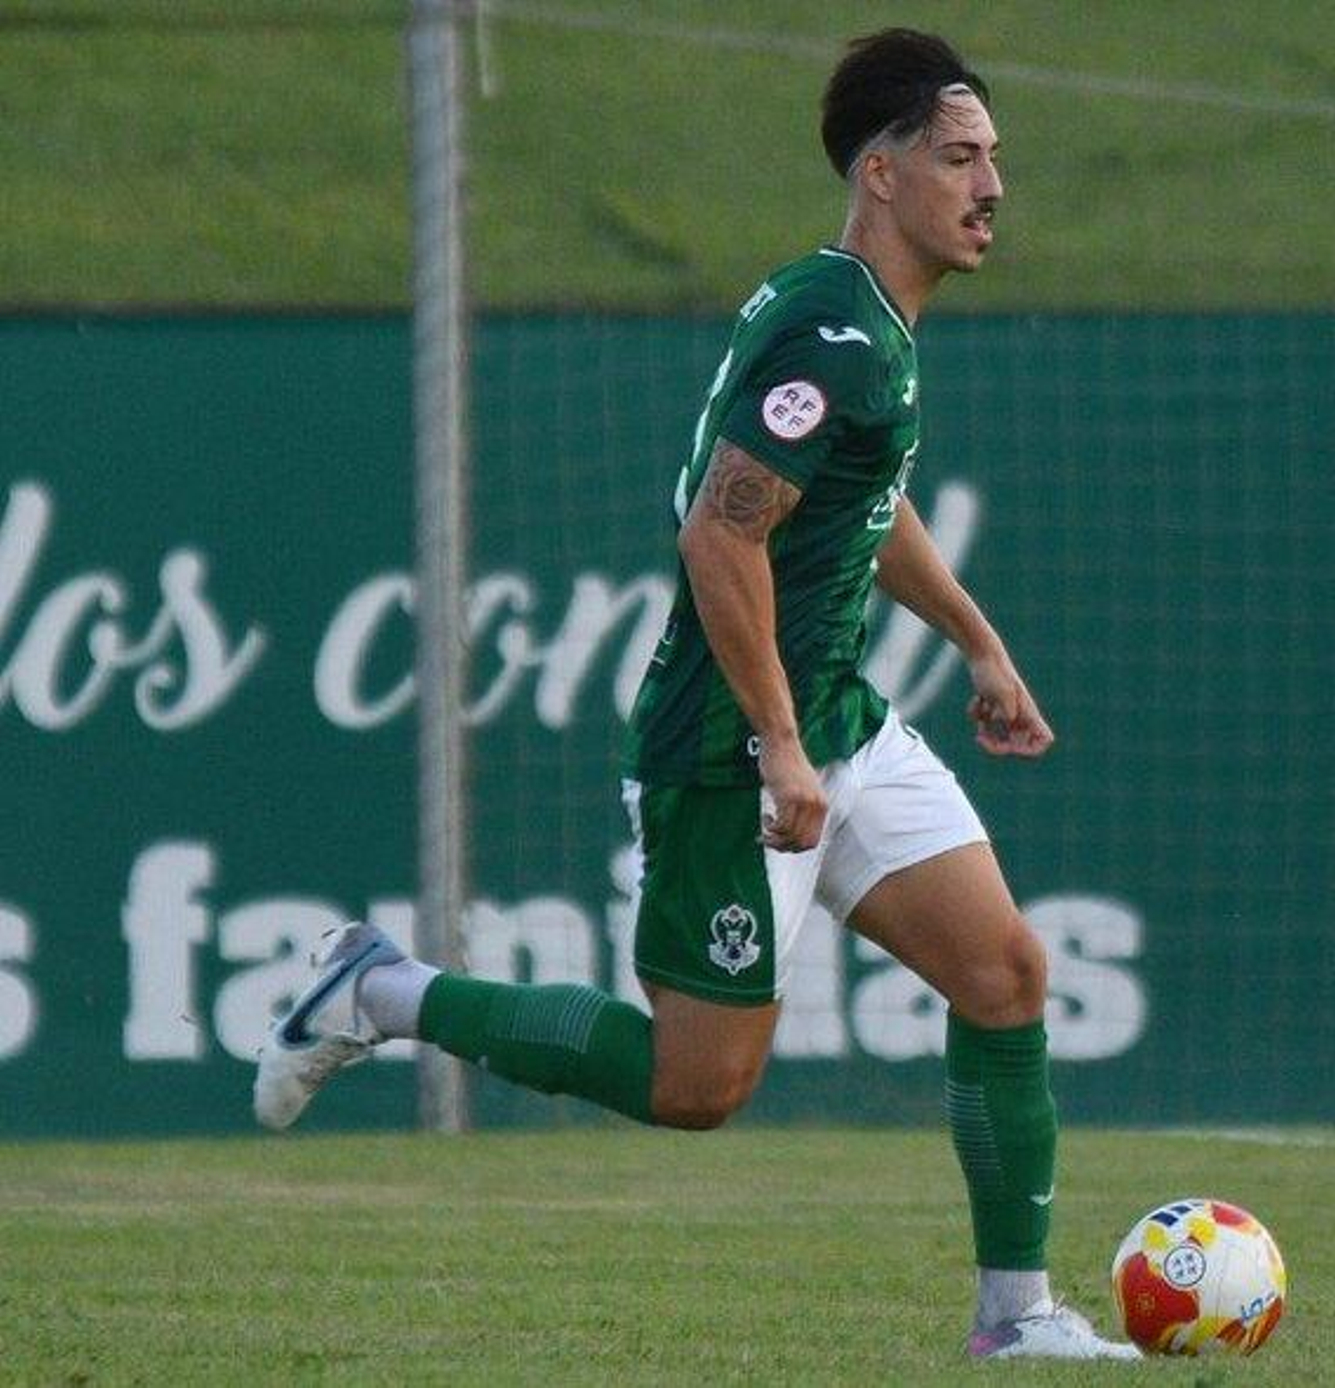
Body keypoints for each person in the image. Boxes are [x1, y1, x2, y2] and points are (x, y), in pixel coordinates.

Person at [254, 28, 1139, 1363]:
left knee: (1006, 972)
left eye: (995, 156)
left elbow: (860, 499)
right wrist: (781, 750)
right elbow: (721, 537)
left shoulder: (873, 328)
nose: (991, 183)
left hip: (831, 715)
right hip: (734, 747)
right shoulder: (833, 333)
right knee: (698, 1087)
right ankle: (377, 992)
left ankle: (1015, 1317)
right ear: (884, 172)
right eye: (962, 156)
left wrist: (975, 640)